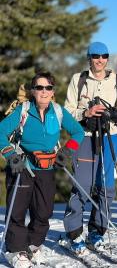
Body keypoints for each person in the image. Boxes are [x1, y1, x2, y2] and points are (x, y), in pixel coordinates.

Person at [0, 72, 84, 268]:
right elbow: (1, 132)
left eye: (48, 88)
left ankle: (33, 245)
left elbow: (78, 132)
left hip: (47, 167)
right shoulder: (23, 110)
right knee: (17, 210)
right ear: (32, 91)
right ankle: (15, 250)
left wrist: (67, 150)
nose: (44, 91)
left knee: (44, 211)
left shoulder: (58, 111)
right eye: (39, 87)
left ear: (53, 91)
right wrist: (10, 155)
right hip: (21, 166)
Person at [63, 42, 117, 253]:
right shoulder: (79, 79)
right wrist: (85, 115)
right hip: (85, 137)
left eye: (104, 56)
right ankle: (74, 233)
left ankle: (97, 231)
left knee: (106, 187)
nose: (100, 60)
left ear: (107, 58)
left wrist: (115, 115)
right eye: (95, 56)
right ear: (89, 57)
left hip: (110, 136)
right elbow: (67, 111)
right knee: (82, 185)